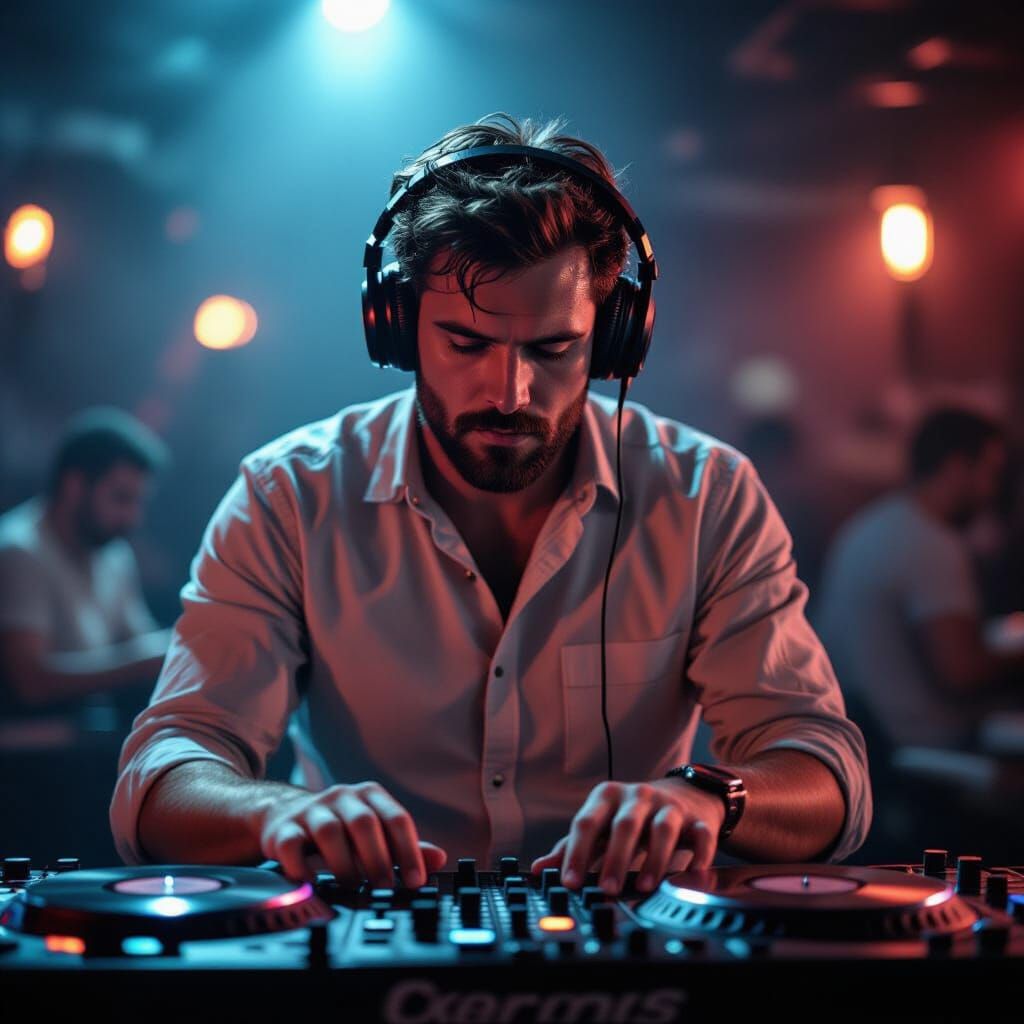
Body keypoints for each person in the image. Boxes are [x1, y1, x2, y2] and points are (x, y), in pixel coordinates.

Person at [111, 114, 870, 895]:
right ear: (398, 326)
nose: (510, 394)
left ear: (613, 337)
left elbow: (826, 772)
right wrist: (275, 813)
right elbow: (165, 773)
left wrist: (709, 800)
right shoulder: (288, 496)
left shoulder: (708, 494)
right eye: (467, 345)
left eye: (553, 349)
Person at [817, 407, 1023, 750]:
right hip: (926, 747)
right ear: (958, 468)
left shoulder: (874, 524)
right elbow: (962, 671)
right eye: (991, 473)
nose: (992, 491)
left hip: (868, 739)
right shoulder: (930, 543)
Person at [0, 407, 171, 714]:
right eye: (121, 498)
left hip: (85, 741)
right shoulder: (19, 551)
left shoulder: (114, 554)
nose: (133, 517)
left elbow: (139, 642)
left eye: (138, 502)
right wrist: (146, 662)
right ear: (74, 485)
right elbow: (29, 681)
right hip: (32, 751)